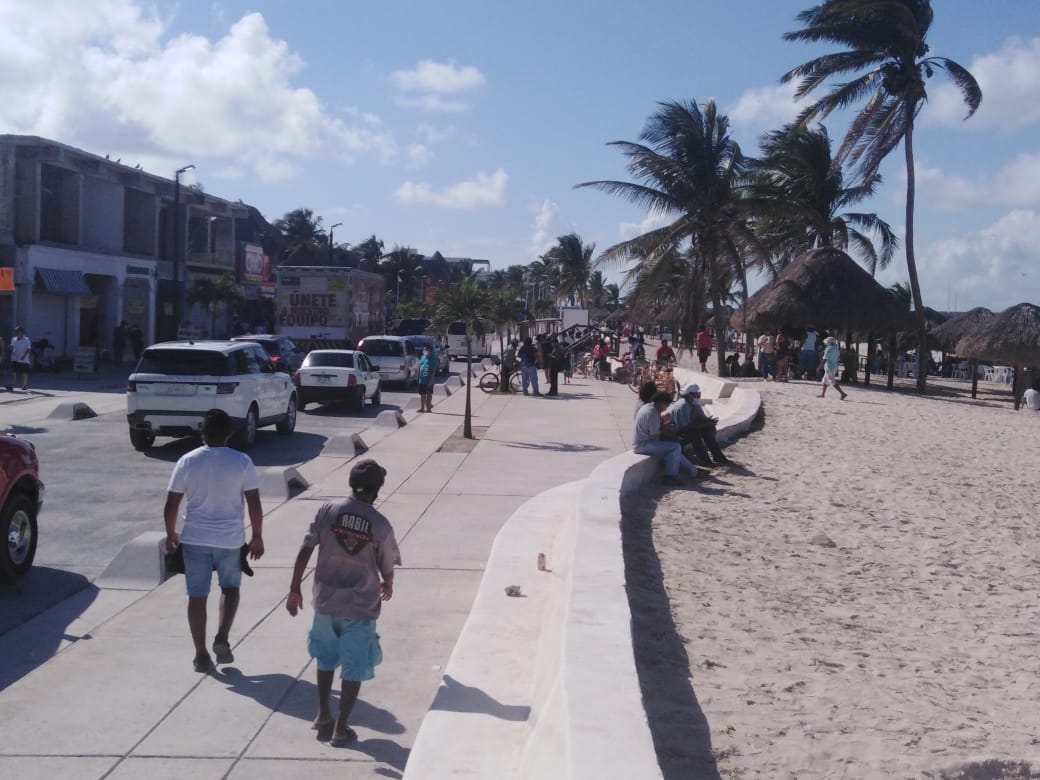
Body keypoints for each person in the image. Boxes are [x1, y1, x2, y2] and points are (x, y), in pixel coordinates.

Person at [286, 459, 400, 748]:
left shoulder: (327, 510)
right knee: (354, 666)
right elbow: (387, 565)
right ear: (377, 490)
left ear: (351, 484)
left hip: (325, 602)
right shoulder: (380, 524)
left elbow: (305, 550)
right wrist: (388, 582)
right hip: (359, 607)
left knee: (325, 658)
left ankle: (323, 713)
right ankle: (340, 727)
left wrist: (294, 588)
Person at [163, 409, 265, 673]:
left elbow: (172, 503)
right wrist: (257, 536)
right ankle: (222, 635)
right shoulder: (241, 461)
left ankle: (200, 655)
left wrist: (171, 533)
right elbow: (254, 502)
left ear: (202, 431)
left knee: (197, 596)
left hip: (195, 539)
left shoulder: (187, 461)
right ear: (229, 433)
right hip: (230, 539)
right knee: (230, 589)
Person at [632, 390, 699, 487]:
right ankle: (670, 476)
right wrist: (670, 433)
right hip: (643, 445)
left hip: (642, 442)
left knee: (674, 448)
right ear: (663, 403)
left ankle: (693, 470)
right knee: (675, 447)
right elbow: (655, 435)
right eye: (666, 406)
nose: (666, 409)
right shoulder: (653, 413)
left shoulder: (647, 407)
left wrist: (663, 424)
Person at [667, 383, 731, 468]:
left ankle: (718, 457)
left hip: (688, 429)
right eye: (696, 394)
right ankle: (704, 460)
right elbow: (685, 427)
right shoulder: (682, 405)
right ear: (689, 394)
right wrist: (704, 423)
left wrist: (709, 423)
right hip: (678, 433)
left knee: (707, 430)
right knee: (694, 433)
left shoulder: (694, 405)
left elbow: (702, 419)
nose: (698, 396)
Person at [818, 336, 848, 400]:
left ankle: (842, 393)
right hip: (834, 367)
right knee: (825, 380)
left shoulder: (828, 349)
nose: (826, 343)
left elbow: (824, 359)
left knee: (832, 380)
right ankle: (823, 394)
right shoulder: (836, 349)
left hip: (829, 367)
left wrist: (819, 367)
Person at [8, 326, 32, 392]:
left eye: (17, 331)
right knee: (13, 372)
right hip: (15, 358)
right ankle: (11, 385)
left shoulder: (26, 339)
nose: (16, 332)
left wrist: (24, 356)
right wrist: (10, 347)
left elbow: (28, 348)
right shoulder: (14, 339)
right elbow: (12, 347)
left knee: (24, 373)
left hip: (24, 359)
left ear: (21, 332)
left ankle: (24, 385)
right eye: (15, 331)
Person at [416, 346, 434, 412]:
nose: (424, 351)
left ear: (430, 351)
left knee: (429, 394)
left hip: (428, 380)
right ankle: (422, 408)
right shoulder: (423, 357)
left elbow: (433, 372)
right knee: (422, 395)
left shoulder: (432, 359)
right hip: (422, 380)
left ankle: (428, 408)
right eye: (424, 350)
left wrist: (430, 381)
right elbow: (419, 366)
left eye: (426, 350)